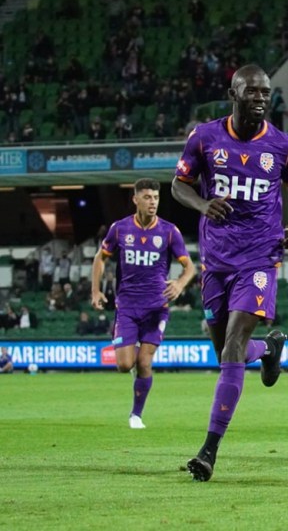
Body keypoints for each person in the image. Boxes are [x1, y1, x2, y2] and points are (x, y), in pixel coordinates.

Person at [171, 64, 288, 482]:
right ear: (233, 93)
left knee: (233, 343)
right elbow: (179, 185)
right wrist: (201, 204)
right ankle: (268, 352)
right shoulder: (204, 137)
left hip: (260, 259)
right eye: (252, 91)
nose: (261, 98)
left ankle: (209, 450)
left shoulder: (284, 145)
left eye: (266, 92)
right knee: (226, 354)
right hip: (216, 261)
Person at [92, 178, 196, 429]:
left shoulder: (169, 231)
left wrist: (180, 284)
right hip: (127, 306)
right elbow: (100, 258)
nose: (153, 202)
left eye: (156, 198)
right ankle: (133, 361)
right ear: (136, 199)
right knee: (124, 365)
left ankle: (136, 414)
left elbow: (190, 267)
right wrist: (95, 290)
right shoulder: (120, 229)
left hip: (156, 307)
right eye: (147, 197)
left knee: (144, 362)